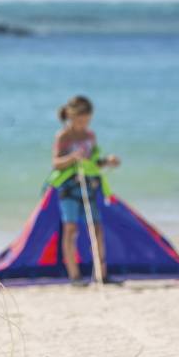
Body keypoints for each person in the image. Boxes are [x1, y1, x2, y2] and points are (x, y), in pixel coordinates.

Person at [48, 95, 120, 287]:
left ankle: (101, 274)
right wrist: (72, 157)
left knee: (96, 228)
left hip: (88, 186)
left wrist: (107, 161)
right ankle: (75, 276)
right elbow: (55, 163)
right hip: (69, 188)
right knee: (71, 229)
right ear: (71, 117)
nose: (84, 125)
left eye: (87, 121)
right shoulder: (63, 137)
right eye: (80, 121)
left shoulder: (90, 136)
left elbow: (94, 163)